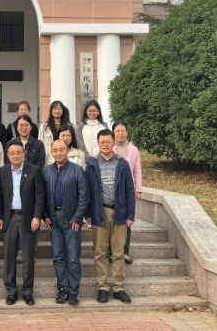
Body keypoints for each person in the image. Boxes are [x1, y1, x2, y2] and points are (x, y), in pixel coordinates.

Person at [86, 129, 135, 305]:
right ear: (98, 143)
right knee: (99, 252)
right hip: (99, 212)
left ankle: (119, 287)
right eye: (102, 142)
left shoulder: (122, 164)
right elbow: (87, 190)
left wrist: (130, 214)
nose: (105, 144)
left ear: (113, 142)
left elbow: (129, 190)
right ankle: (102, 287)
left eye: (108, 141)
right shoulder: (91, 164)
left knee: (118, 252)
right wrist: (87, 213)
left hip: (119, 212)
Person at [0, 139, 45, 306]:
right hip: (9, 218)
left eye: (18, 152)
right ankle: (11, 291)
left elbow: (40, 195)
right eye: (12, 153)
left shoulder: (34, 170)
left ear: (24, 154)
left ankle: (27, 291)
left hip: (28, 218)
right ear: (7, 155)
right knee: (9, 257)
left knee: (28, 257)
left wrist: (37, 216)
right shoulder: (2, 171)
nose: (15, 156)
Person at [42, 139, 89, 306]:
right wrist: (45, 216)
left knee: (73, 258)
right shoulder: (46, 171)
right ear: (51, 152)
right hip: (53, 220)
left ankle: (74, 292)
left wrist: (78, 217)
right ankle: (62, 289)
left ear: (67, 151)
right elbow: (42, 196)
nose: (58, 153)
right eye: (55, 150)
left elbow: (84, 196)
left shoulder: (77, 170)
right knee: (58, 257)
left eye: (61, 149)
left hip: (71, 220)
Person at [112, 120, 142, 264]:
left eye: (122, 130)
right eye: (117, 131)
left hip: (128, 190)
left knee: (127, 221)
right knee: (111, 220)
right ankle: (111, 252)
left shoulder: (133, 150)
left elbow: (137, 170)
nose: (120, 133)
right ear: (113, 133)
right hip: (112, 189)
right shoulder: (109, 148)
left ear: (127, 132)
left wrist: (138, 189)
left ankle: (125, 252)